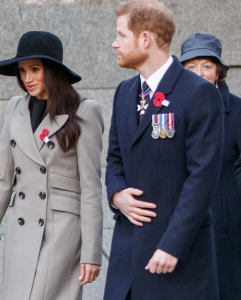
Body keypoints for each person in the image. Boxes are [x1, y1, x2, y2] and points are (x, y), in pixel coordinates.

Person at [104, 1, 224, 299]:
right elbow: (115, 158)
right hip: (127, 257)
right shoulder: (124, 93)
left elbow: (202, 178)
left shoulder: (199, 93)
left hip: (175, 261)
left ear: (145, 38)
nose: (114, 43)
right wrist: (117, 194)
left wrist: (173, 245)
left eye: (121, 35)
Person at [0, 31, 104, 300]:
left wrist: (92, 251)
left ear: (53, 70)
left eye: (35, 69)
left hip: (60, 231)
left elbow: (90, 188)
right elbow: (3, 180)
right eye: (22, 71)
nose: (27, 79)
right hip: (21, 229)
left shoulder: (84, 111)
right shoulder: (14, 108)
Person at [180, 32, 241, 300]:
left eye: (207, 66)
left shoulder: (237, 110)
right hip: (180, 224)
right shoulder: (170, 113)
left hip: (227, 226)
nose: (199, 73)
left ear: (219, 72)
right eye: (191, 67)